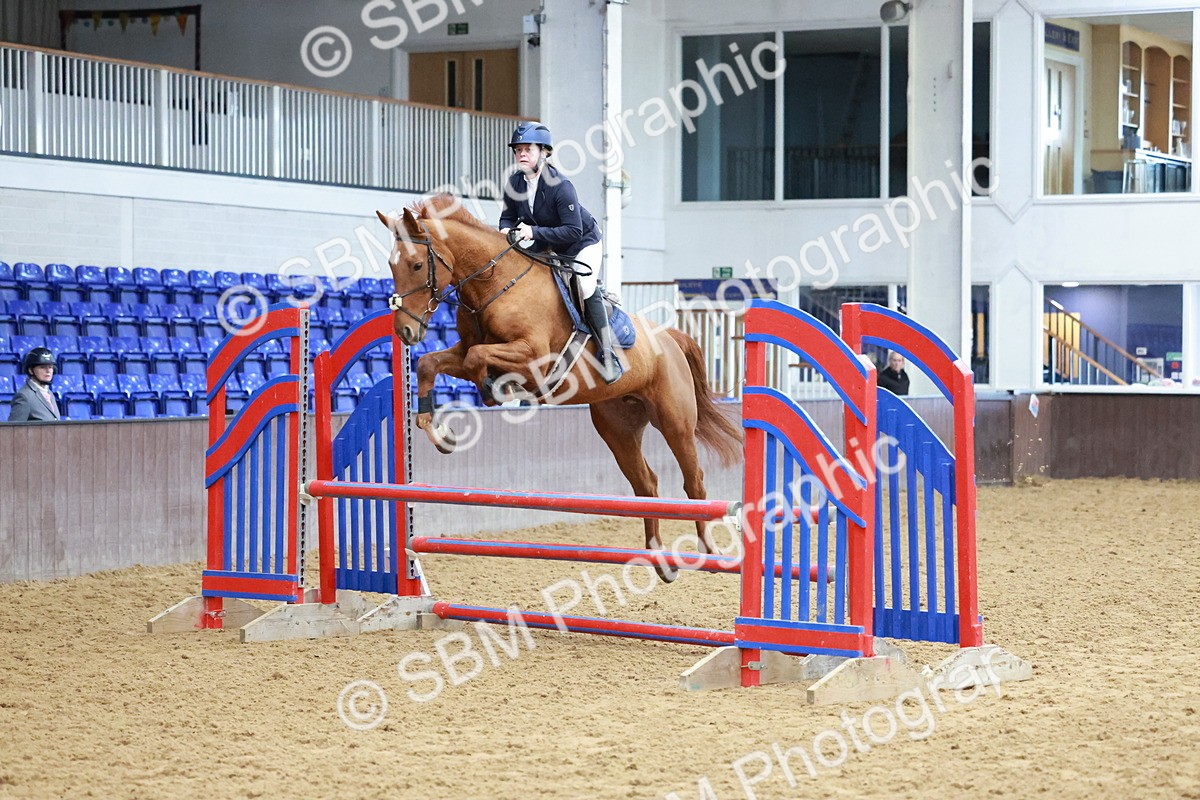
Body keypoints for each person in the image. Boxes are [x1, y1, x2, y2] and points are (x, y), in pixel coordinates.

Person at [498, 121, 623, 384]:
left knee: (584, 285)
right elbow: (507, 218)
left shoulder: (560, 185)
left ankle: (608, 353)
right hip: (548, 247)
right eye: (517, 149)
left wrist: (533, 233)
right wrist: (505, 233)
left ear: (543, 152)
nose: (521, 154)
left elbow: (573, 231)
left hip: (581, 243)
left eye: (527, 149)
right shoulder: (514, 183)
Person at [8, 347, 62, 422]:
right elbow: (13, 430)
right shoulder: (24, 396)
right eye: (42, 367)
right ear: (31, 370)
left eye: (50, 367)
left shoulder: (50, 394)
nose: (48, 371)